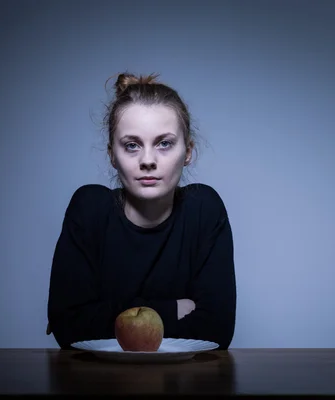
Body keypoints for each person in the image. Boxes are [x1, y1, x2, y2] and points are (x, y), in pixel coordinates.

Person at [46, 72, 237, 350]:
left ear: (188, 152)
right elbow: (69, 327)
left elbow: (216, 331)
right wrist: (173, 309)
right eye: (132, 145)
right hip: (94, 387)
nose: (148, 160)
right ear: (112, 155)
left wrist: (103, 315)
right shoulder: (90, 209)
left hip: (188, 388)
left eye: (164, 143)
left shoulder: (203, 210)